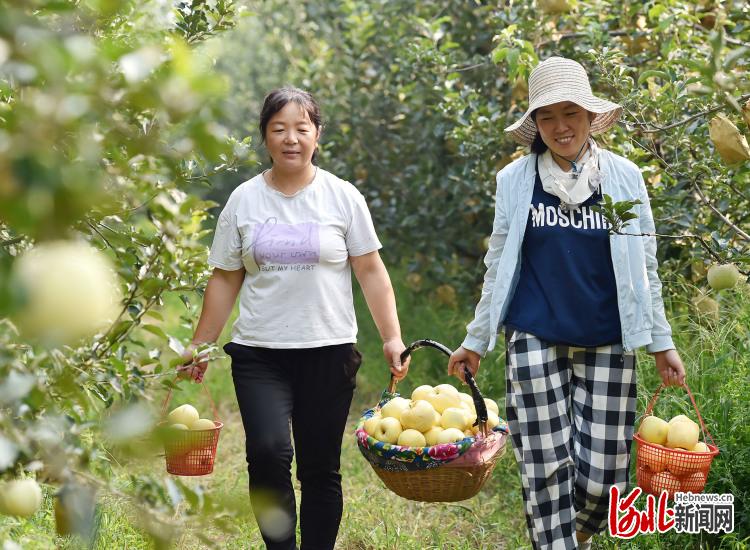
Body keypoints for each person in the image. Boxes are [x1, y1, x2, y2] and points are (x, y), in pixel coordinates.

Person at [447, 57, 686, 550]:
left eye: (570, 113)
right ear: (535, 124)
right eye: (548, 116)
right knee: (545, 464)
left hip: (607, 336)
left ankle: (578, 529)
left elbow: (645, 265)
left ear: (589, 116)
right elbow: (498, 264)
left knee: (605, 476)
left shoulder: (623, 179)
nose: (560, 127)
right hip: (534, 333)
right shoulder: (515, 182)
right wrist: (475, 339)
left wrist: (661, 341)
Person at [178, 86, 410, 550]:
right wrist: (201, 343)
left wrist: (391, 336)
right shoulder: (244, 201)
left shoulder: (342, 197)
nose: (291, 138)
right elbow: (225, 279)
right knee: (267, 455)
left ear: (317, 135)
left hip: (328, 350)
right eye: (279, 129)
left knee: (320, 467)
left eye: (301, 129)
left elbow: (370, 270)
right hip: (259, 353)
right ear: (265, 136)